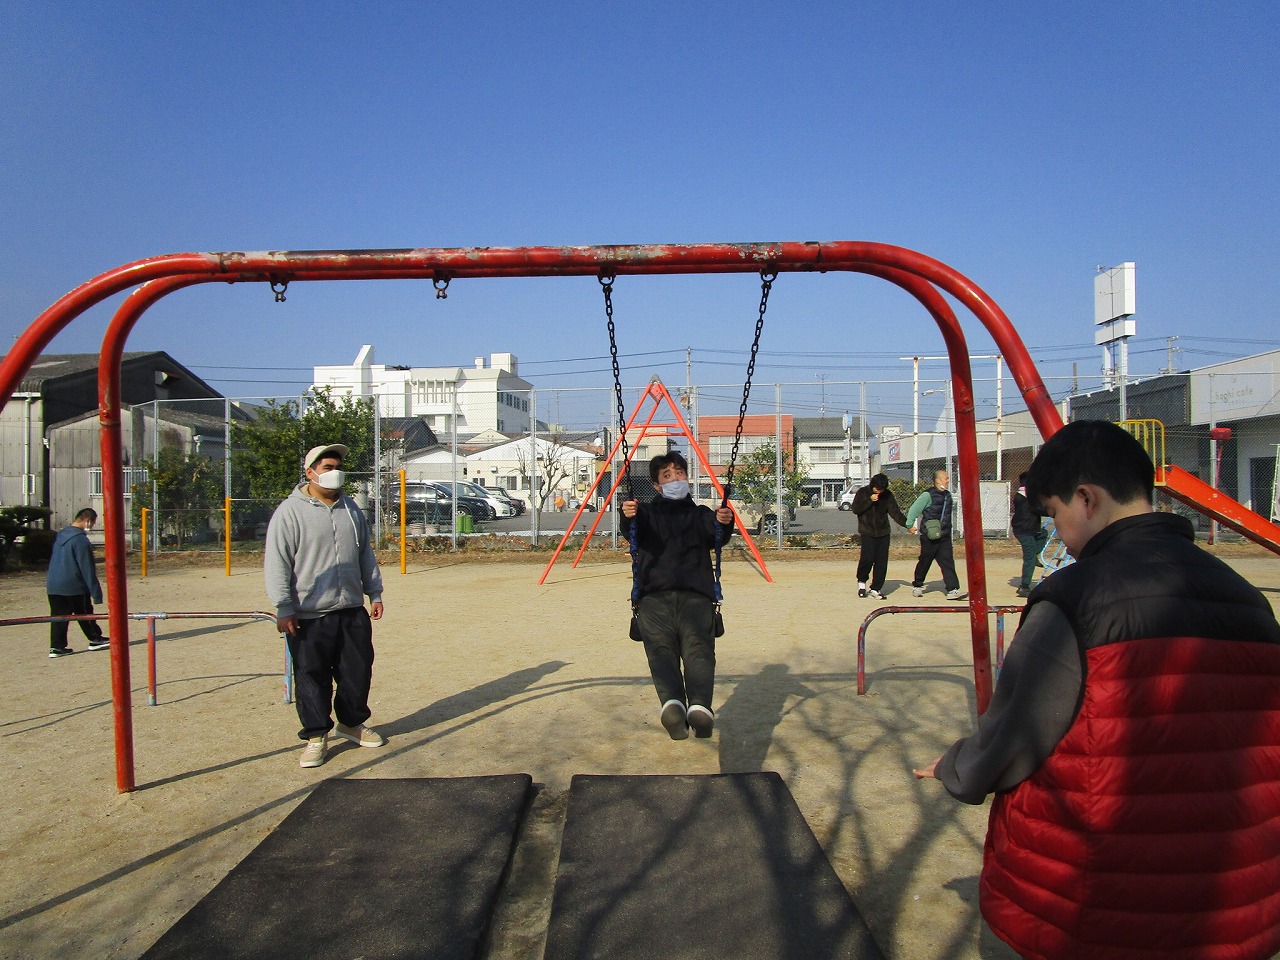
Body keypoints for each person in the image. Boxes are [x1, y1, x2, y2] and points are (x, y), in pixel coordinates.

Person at [913, 421, 1280, 960]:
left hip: (1096, 905)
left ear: (1086, 499)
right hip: (1232, 903)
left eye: (1055, 513)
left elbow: (1014, 736)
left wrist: (957, 766)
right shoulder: (1250, 601)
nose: (1058, 532)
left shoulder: (1074, 599)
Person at [265, 443, 387, 769]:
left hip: (351, 609)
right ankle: (317, 736)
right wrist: (284, 606)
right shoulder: (289, 513)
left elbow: (364, 555)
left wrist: (374, 593)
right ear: (310, 473)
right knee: (311, 676)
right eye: (328, 467)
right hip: (309, 613)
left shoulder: (351, 509)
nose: (335, 473)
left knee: (357, 672)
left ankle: (351, 723)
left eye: (338, 467)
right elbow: (277, 562)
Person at [622, 451, 735, 740]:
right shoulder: (648, 513)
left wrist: (724, 521)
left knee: (661, 653)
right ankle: (699, 705)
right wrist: (628, 514)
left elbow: (717, 534)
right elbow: (632, 526)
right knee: (699, 651)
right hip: (694, 596)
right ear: (657, 485)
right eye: (667, 475)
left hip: (654, 598)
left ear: (687, 477)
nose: (675, 479)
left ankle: (673, 702)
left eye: (679, 473)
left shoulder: (702, 515)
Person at [46, 507, 110, 657]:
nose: (91, 526)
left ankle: (56, 647)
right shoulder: (80, 540)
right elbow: (87, 568)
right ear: (87, 521)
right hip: (74, 584)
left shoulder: (60, 536)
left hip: (54, 583)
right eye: (92, 523)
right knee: (85, 612)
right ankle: (95, 638)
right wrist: (96, 593)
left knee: (59, 617)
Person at [904, 469, 966, 600]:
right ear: (938, 480)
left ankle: (953, 589)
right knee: (925, 561)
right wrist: (909, 525)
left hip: (944, 535)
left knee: (947, 561)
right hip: (929, 536)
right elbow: (914, 509)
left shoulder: (948, 495)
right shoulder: (927, 495)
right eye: (946, 478)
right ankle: (918, 585)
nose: (948, 481)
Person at [851, 473, 908, 599]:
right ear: (872, 485)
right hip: (867, 532)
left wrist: (907, 524)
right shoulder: (863, 492)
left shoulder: (887, 495)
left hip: (883, 532)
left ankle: (876, 588)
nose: (879, 491)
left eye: (882, 489)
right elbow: (856, 509)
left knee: (881, 561)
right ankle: (862, 583)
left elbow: (895, 512)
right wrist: (869, 500)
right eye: (877, 489)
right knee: (867, 559)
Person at [1010, 471, 1048, 598]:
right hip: (1025, 531)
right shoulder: (1026, 498)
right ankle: (1024, 586)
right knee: (1029, 559)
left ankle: (1034, 555)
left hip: (1030, 530)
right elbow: (1040, 509)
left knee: (1043, 534)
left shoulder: (1024, 495)